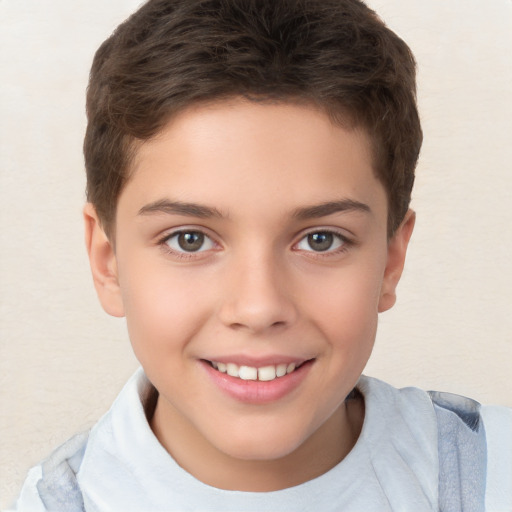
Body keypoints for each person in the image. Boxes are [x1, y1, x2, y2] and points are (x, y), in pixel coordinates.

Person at [12, 0, 511, 510]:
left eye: (321, 239)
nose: (258, 307)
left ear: (390, 260)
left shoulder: (496, 475)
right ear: (107, 261)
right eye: (190, 239)